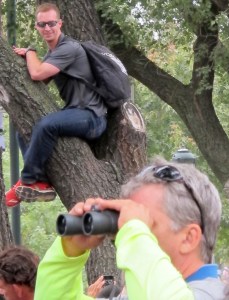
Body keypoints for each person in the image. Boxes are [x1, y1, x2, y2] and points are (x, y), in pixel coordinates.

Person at [34, 156, 226, 299]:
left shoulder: (213, 294)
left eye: (144, 223)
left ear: (188, 238)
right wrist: (69, 253)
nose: (126, 232)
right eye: (123, 221)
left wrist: (134, 234)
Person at [6, 2, 107, 207]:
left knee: (46, 124)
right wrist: (29, 59)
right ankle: (41, 182)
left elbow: (37, 73)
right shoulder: (54, 53)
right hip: (75, 113)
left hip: (92, 117)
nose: (47, 28)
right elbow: (40, 81)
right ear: (36, 26)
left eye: (51, 23)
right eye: (42, 24)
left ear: (60, 23)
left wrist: (30, 52)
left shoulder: (68, 48)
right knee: (23, 128)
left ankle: (27, 180)